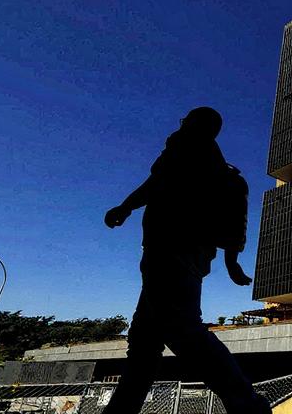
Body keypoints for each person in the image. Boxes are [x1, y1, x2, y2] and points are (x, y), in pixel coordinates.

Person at [103, 107, 271, 414]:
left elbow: (231, 214)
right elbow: (234, 219)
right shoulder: (205, 162)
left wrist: (125, 207)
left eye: (187, 120)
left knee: (181, 332)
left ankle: (248, 404)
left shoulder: (192, 154)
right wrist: (126, 207)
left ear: (199, 125)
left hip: (172, 254)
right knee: (144, 344)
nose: (181, 124)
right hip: (170, 254)